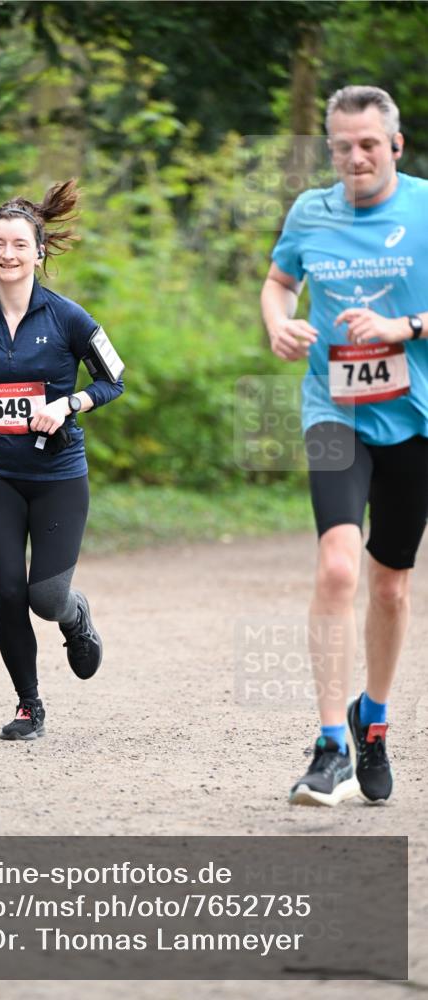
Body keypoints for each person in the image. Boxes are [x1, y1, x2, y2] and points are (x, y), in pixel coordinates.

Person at [260, 85, 428, 806]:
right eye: (340, 146)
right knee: (337, 566)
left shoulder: (423, 206)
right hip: (332, 408)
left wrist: (406, 328)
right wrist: (277, 322)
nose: (354, 157)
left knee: (389, 585)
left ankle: (373, 721)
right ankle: (329, 744)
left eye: (367, 144)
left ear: (394, 146)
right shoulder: (310, 211)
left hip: (413, 413)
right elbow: (277, 282)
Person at [0, 179, 124, 740]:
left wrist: (69, 402)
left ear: (38, 252)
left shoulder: (69, 317)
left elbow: (113, 379)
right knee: (7, 592)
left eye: (20, 244)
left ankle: (75, 615)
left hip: (57, 476)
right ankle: (29, 704)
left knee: (45, 597)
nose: (8, 254)